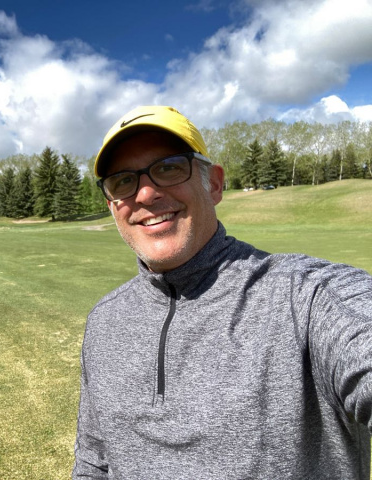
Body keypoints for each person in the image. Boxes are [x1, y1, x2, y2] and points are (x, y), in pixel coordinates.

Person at [72, 106, 372, 479]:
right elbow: (94, 460)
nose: (145, 193)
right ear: (112, 205)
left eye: (169, 168)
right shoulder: (104, 321)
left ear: (213, 184)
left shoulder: (307, 298)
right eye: (122, 181)